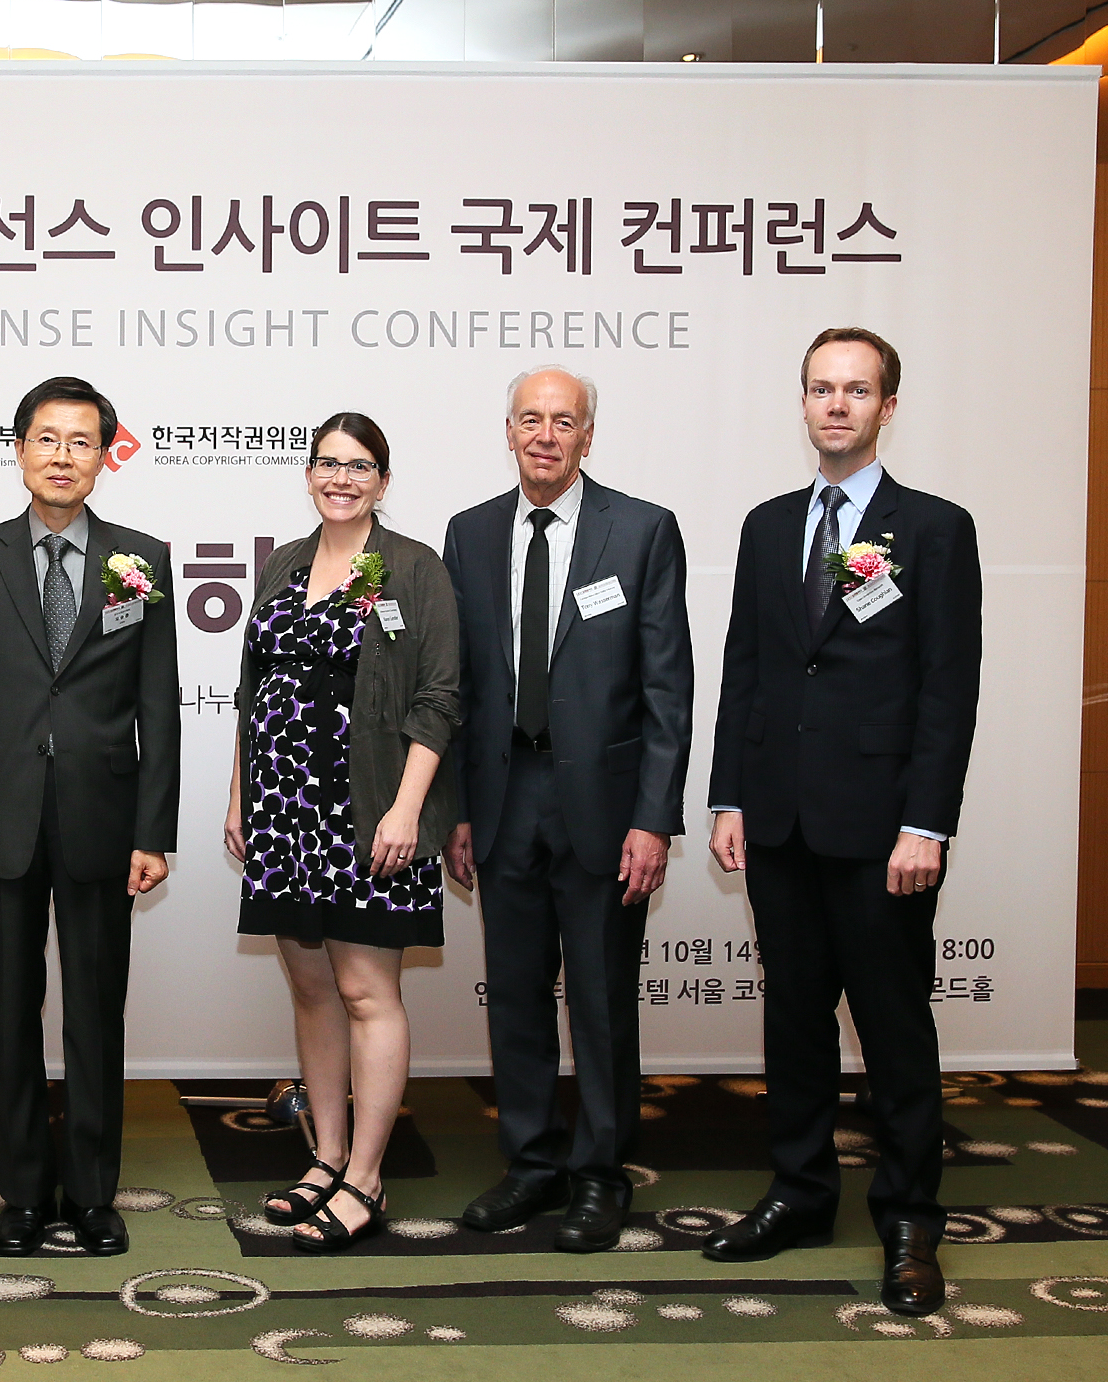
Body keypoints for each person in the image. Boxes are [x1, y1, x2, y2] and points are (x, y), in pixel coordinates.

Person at [705, 327, 981, 1318]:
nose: (836, 405)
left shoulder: (934, 528)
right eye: (822, 388)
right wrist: (729, 796)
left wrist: (927, 825)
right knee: (794, 1021)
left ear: (887, 408)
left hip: (881, 831)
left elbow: (948, 690)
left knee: (894, 1031)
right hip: (778, 821)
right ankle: (801, 1193)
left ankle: (909, 1221)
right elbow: (745, 668)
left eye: (857, 390)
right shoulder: (768, 524)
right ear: (804, 402)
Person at [439, 368, 693, 1253]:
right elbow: (459, 686)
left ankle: (600, 1173)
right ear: (507, 430)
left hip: (605, 809)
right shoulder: (470, 534)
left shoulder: (643, 530)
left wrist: (654, 818)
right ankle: (532, 1163)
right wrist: (458, 810)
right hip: (504, 797)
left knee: (600, 999)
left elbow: (668, 689)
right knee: (513, 995)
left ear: (588, 435)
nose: (545, 436)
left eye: (564, 421)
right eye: (530, 420)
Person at [0, 376, 180, 1258]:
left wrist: (154, 832)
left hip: (102, 821)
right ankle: (23, 1193)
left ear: (104, 455)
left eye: (81, 441)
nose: (62, 456)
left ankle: (93, 1194)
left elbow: (159, 704)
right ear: (19, 450)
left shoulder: (139, 559)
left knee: (95, 1016)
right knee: (12, 1014)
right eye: (47, 438)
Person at [224, 412, 460, 1254]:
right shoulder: (285, 564)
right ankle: (324, 1158)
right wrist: (240, 793)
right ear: (309, 473)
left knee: (367, 992)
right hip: (284, 813)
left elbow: (439, 696)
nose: (341, 478)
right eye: (328, 463)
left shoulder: (413, 567)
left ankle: (365, 1176)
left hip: (366, 814)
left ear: (383, 482)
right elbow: (254, 687)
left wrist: (406, 808)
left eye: (360, 466)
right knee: (314, 990)